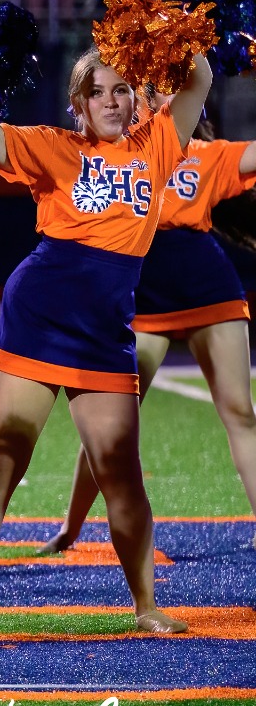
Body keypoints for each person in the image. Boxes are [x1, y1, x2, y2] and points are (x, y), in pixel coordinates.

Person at [0, 42, 212, 636]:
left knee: (120, 472)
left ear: (136, 100)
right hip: (39, 315)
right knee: (2, 457)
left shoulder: (156, 143)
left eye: (121, 90)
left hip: (104, 331)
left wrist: (159, 33)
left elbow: (200, 75)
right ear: (79, 104)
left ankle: (146, 606)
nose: (111, 101)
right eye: (97, 91)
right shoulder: (55, 146)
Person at [42, 104, 256, 553]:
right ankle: (71, 527)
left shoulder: (207, 153)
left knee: (240, 412)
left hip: (208, 285)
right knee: (110, 423)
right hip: (144, 291)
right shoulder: (124, 153)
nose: (164, 100)